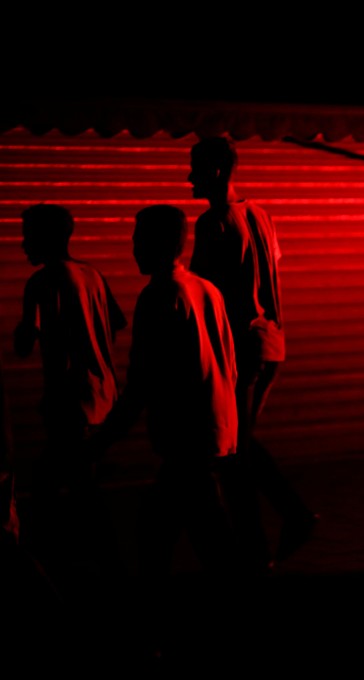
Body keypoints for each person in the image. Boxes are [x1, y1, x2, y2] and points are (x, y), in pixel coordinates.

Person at [85, 204, 243, 653]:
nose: (133, 247)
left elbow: (142, 381)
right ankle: (216, 617)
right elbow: (228, 363)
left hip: (186, 436)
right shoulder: (206, 289)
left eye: (139, 239)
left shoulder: (159, 296)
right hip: (213, 430)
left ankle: (154, 628)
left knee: (162, 532)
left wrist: (103, 439)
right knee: (193, 528)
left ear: (159, 243)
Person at [188, 136, 318, 569]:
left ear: (216, 170)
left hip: (240, 345)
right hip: (271, 341)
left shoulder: (214, 223)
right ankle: (281, 526)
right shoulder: (261, 214)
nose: (189, 177)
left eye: (195, 168)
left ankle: (273, 534)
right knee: (241, 441)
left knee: (234, 449)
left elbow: (201, 289)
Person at [13, 203, 127, 578]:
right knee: (76, 479)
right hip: (102, 394)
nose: (23, 244)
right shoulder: (91, 273)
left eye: (28, 236)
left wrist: (26, 332)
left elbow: (24, 344)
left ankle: (81, 563)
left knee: (62, 483)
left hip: (70, 399)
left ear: (45, 238)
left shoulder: (43, 282)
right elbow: (116, 322)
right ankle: (91, 559)